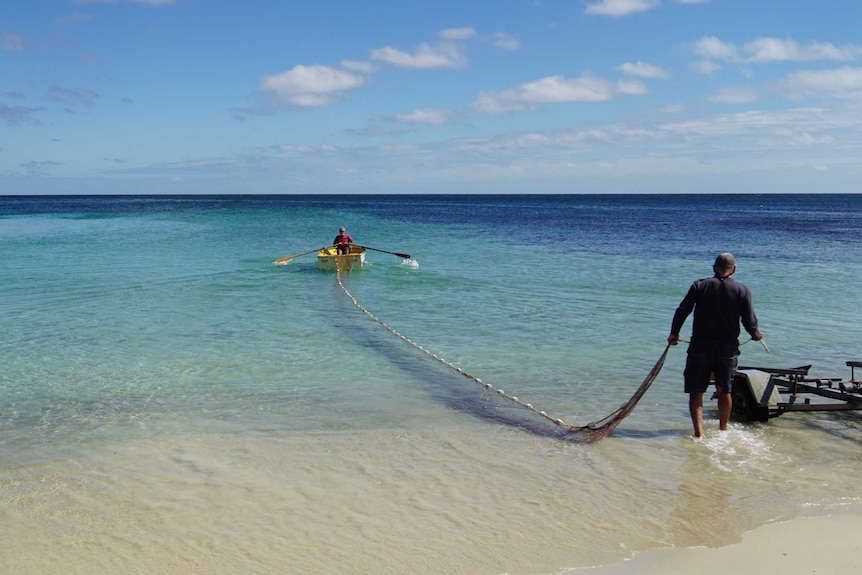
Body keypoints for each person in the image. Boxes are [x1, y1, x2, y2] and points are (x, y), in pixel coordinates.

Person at [668, 253, 763, 438]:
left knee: (696, 391)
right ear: (733, 269)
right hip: (727, 348)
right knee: (724, 389)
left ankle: (699, 433)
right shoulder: (742, 290)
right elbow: (749, 320)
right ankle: (723, 430)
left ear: (714, 268)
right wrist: (756, 335)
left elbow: (682, 311)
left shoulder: (699, 286)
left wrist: (674, 333)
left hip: (700, 346)